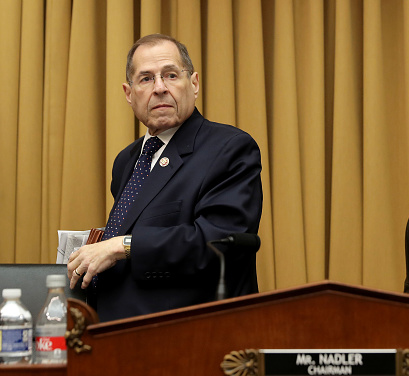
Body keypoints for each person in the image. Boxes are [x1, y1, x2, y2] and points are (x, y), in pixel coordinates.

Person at [66, 34, 263, 322]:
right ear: (129, 93)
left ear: (193, 84)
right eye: (145, 79)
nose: (159, 88)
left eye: (170, 75)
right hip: (114, 334)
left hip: (189, 336)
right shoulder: (126, 160)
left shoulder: (230, 148)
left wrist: (122, 245)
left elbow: (219, 242)